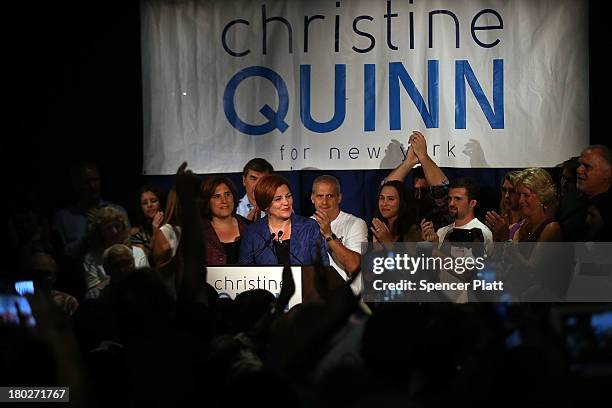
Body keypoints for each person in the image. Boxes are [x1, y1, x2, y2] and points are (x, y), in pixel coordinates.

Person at [240, 175, 329, 266]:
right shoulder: (252, 233)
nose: (286, 202)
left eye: (288, 196)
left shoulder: (309, 227)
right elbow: (245, 273)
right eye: (278, 199)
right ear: (266, 204)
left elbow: (323, 267)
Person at [53, 161, 129, 260]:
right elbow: (62, 256)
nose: (92, 186)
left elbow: (127, 244)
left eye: (95, 180)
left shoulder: (118, 211)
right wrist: (88, 235)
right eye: (86, 182)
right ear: (76, 185)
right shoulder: (63, 217)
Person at [311, 175, 367, 293]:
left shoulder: (355, 224)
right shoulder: (305, 226)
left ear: (339, 198)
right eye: (320, 196)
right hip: (314, 297)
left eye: (330, 196)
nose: (324, 202)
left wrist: (328, 234)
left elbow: (354, 266)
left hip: (347, 298)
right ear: (312, 198)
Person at [385, 131, 451, 230]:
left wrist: (423, 156)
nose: (419, 195)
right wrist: (408, 162)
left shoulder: (445, 216)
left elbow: (441, 190)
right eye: (416, 190)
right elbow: (386, 189)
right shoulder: (405, 213)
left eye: (424, 190)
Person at [82, 206, 149, 299]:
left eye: (117, 226)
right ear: (100, 232)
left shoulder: (137, 253)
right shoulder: (91, 258)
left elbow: (146, 283)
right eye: (108, 228)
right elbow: (93, 293)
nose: (114, 231)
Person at [421, 177, 494, 254]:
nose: (451, 203)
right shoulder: (441, 232)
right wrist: (428, 243)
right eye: (449, 199)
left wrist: (435, 250)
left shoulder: (482, 232)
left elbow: (469, 265)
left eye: (457, 199)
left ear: (472, 203)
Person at [556, 145, 612, 241]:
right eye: (580, 165)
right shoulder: (566, 201)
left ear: (607, 172)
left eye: (586, 166)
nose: (578, 170)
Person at [200, 176, 249, 264]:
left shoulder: (249, 227)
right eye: (217, 196)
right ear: (207, 201)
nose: (224, 201)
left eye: (227, 194)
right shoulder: (198, 232)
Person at [129, 183, 165, 259]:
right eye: (145, 203)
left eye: (153, 201)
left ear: (161, 203)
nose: (149, 205)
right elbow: (144, 259)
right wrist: (155, 232)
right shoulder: (136, 233)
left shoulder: (170, 225)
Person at [485, 170, 522, 242]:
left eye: (512, 191)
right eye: (504, 190)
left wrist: (505, 236)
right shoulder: (499, 222)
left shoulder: (526, 225)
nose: (507, 195)